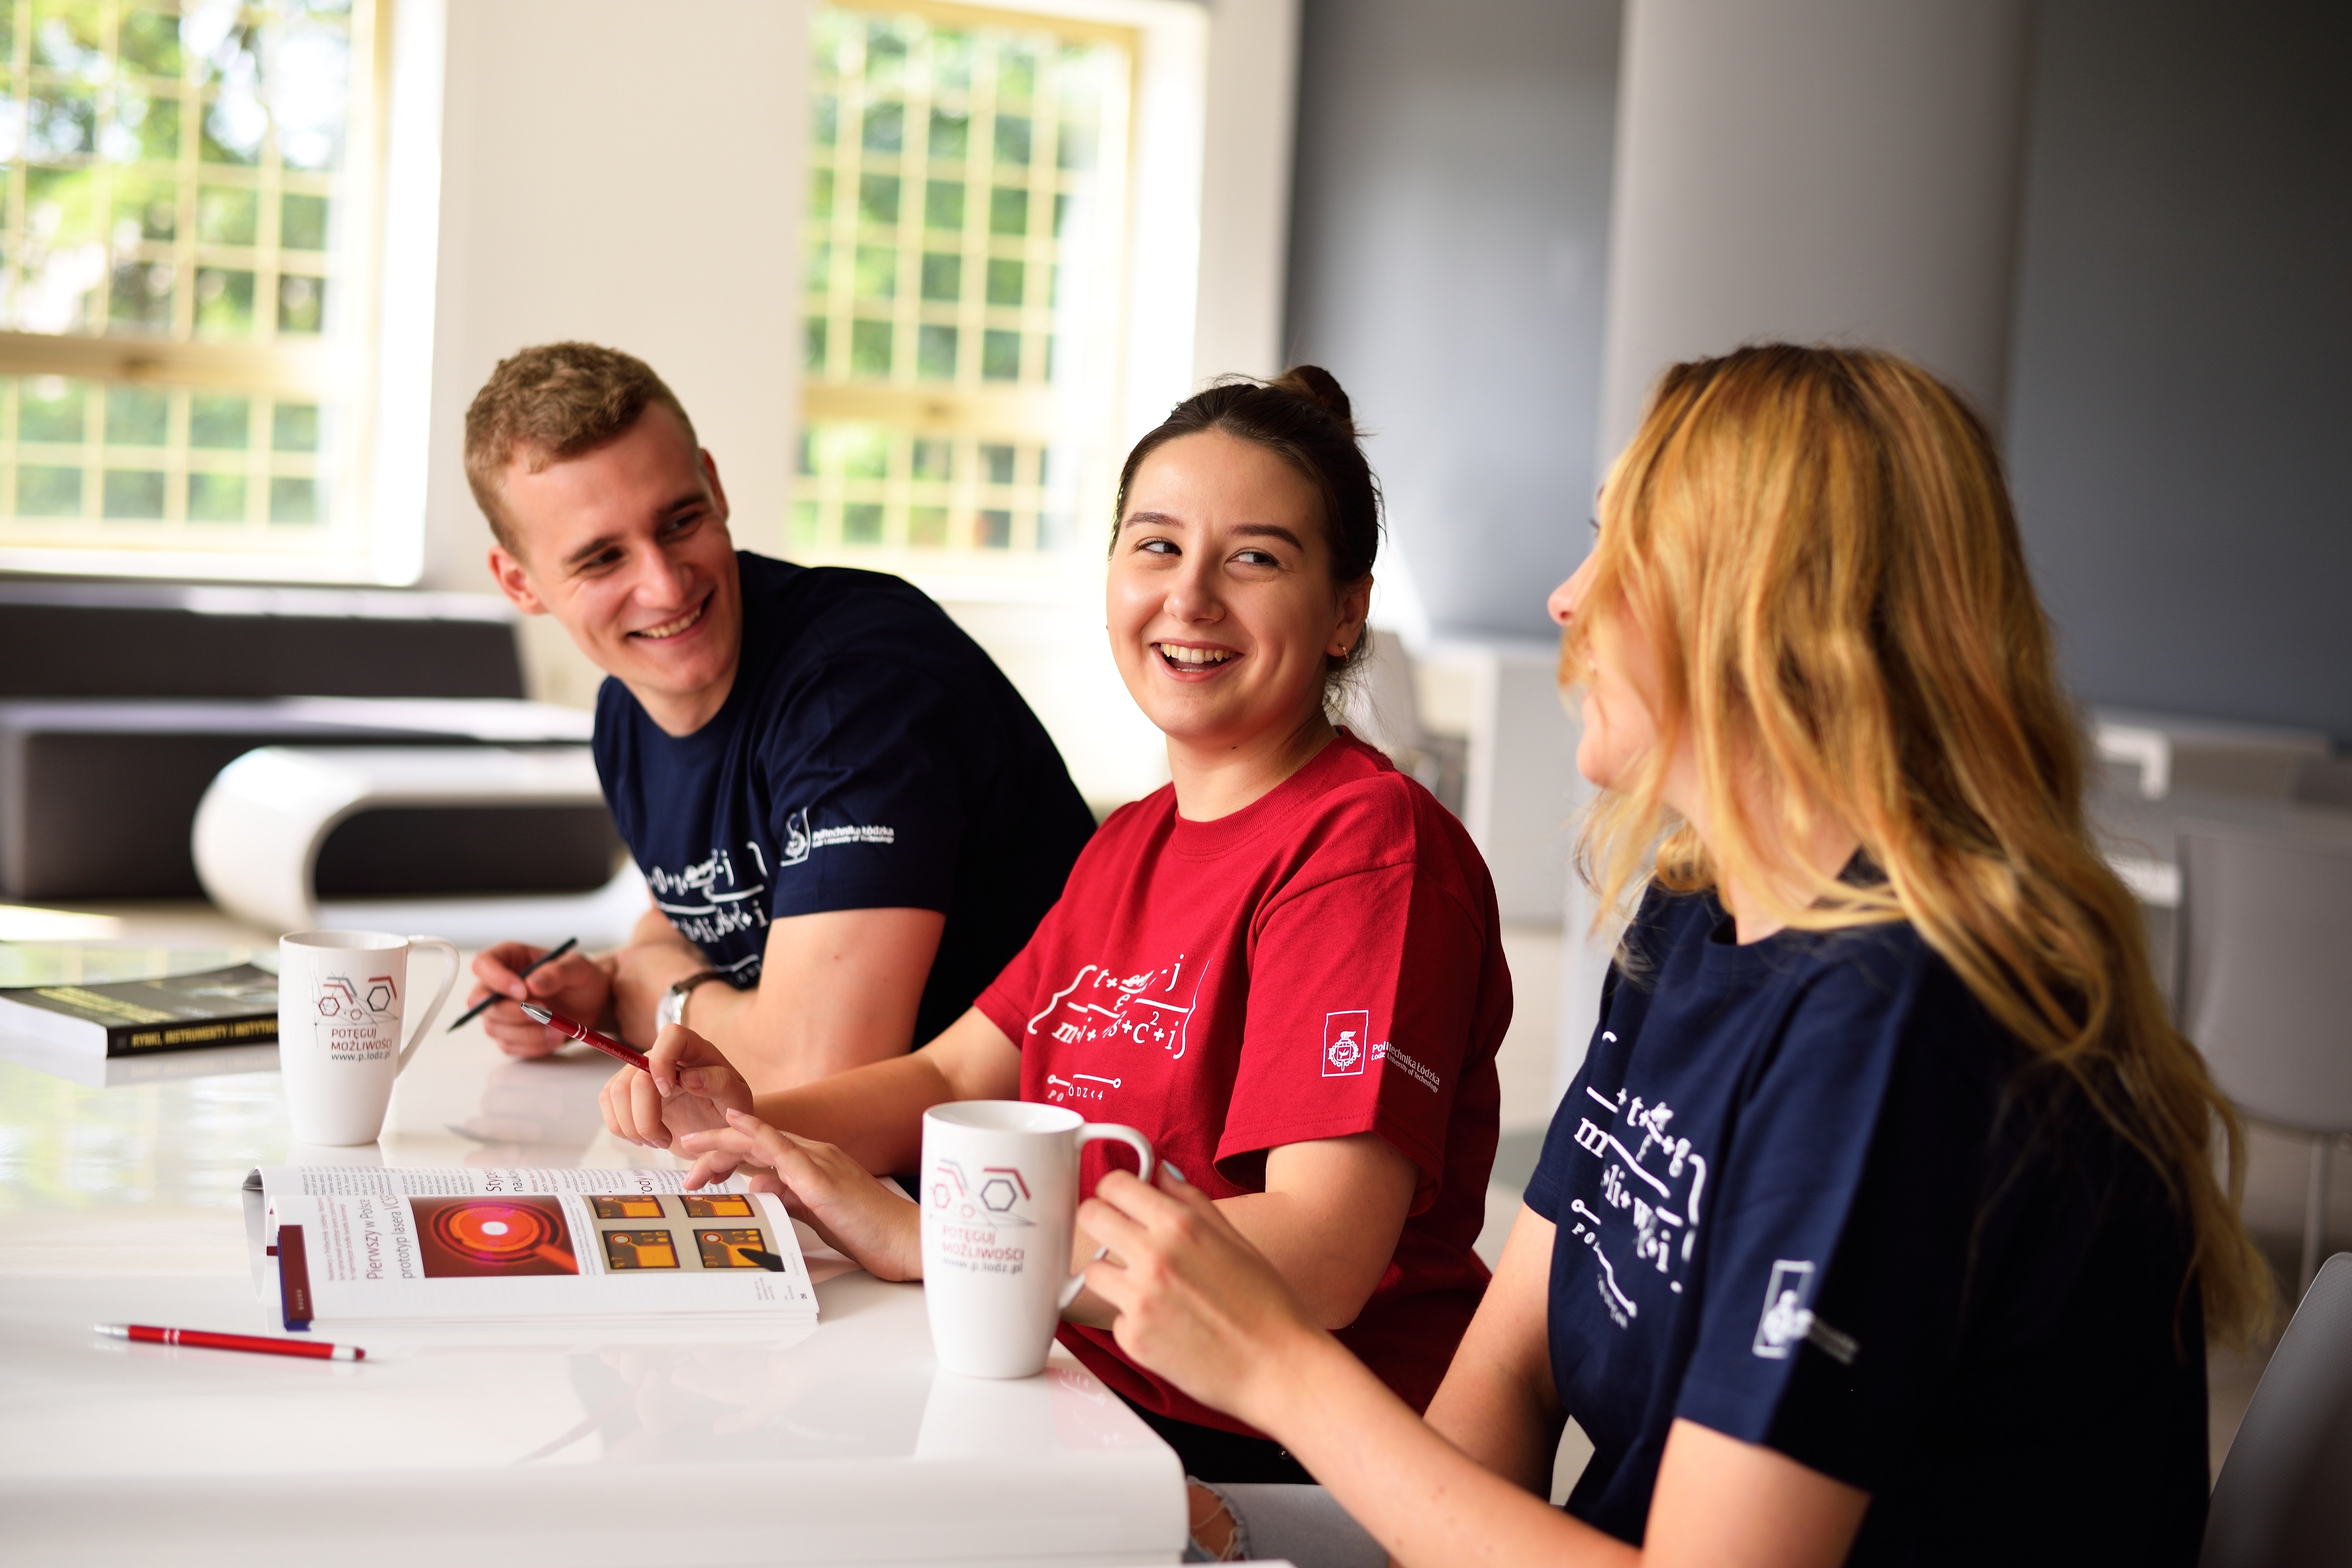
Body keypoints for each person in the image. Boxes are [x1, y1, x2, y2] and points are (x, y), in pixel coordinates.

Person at [1066, 344, 2275, 1566]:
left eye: (1624, 551)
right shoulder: (1697, 912)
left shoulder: (1902, 1023)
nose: (1567, 599)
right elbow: (1511, 1370)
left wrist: (1278, 1370)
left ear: (1778, 614)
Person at [603, 368, 1512, 1483]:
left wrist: (940, 1243)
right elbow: (950, 1075)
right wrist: (749, 1127)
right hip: (1080, 1381)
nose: (1190, 598)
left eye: (1256, 559)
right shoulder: (1132, 840)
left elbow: (1320, 1258)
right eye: (1158, 546)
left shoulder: (1367, 854)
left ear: (1344, 613)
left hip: (1276, 1460)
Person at [459, 342, 1097, 1091]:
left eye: (679, 521)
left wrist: (662, 1002)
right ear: (519, 583)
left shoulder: (859, 688)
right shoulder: (626, 715)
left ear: (715, 486)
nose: (666, 588)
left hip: (1045, 1140)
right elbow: (702, 916)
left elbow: (820, 1074)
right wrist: (605, 990)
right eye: (602, 559)